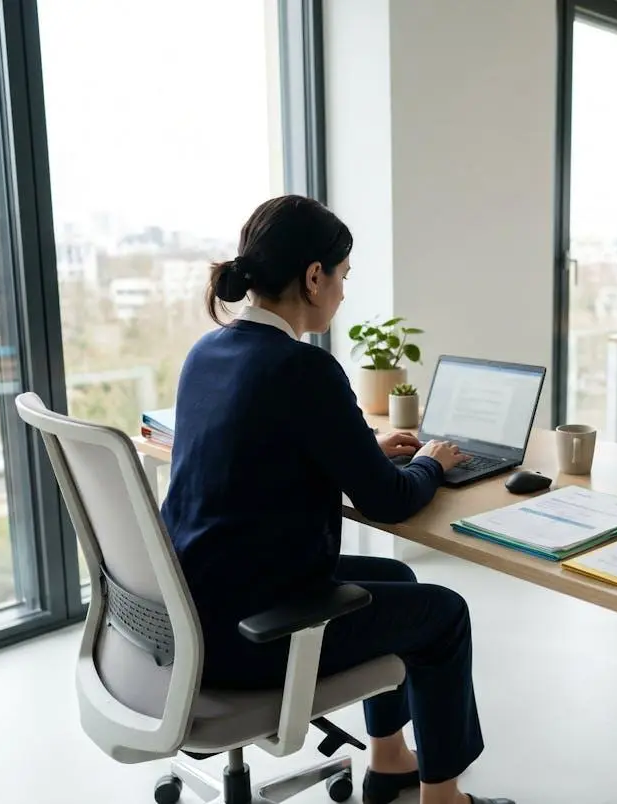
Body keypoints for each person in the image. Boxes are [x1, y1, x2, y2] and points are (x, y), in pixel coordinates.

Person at [161, 195, 512, 804]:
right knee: (444, 614)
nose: (344, 293)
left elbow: (262, 439)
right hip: (251, 633)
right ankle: (444, 798)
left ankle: (389, 760)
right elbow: (389, 501)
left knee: (397, 576)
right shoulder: (304, 369)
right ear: (313, 277)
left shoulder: (207, 352)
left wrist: (360, 444)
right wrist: (429, 463)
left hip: (193, 606)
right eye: (343, 276)